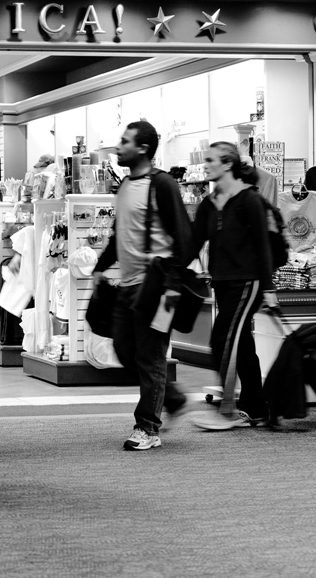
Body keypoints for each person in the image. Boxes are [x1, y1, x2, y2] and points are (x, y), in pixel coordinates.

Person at [92, 121, 191, 451]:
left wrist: (174, 287)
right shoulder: (124, 187)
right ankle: (172, 397)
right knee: (123, 350)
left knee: (150, 357)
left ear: (143, 149)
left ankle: (147, 427)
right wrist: (99, 267)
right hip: (129, 285)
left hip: (159, 285)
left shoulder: (162, 185)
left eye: (124, 142)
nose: (118, 147)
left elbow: (183, 238)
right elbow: (119, 233)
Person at [187, 142, 277, 430]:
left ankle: (227, 410)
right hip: (222, 283)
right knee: (242, 345)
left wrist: (269, 288)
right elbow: (193, 243)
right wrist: (170, 268)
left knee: (222, 340)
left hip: (247, 282)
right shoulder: (210, 204)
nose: (205, 165)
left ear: (227, 164)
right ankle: (257, 409)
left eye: (210, 160)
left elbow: (263, 247)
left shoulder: (249, 199)